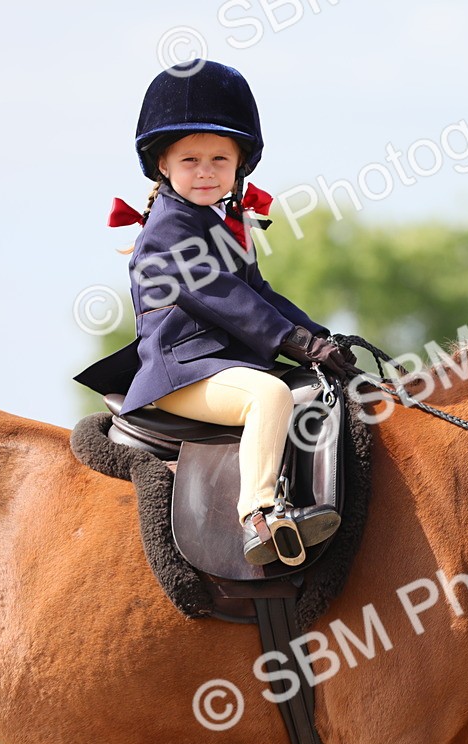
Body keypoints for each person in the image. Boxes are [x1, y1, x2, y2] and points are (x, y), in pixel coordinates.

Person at [75, 60, 359, 566]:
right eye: (190, 160)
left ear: (238, 165)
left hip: (220, 365)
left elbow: (260, 292)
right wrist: (293, 342)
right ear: (163, 164)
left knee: (318, 390)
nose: (205, 171)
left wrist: (320, 339)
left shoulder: (224, 225)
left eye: (218, 160)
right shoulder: (164, 232)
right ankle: (260, 517)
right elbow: (226, 299)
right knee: (269, 395)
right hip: (181, 373)